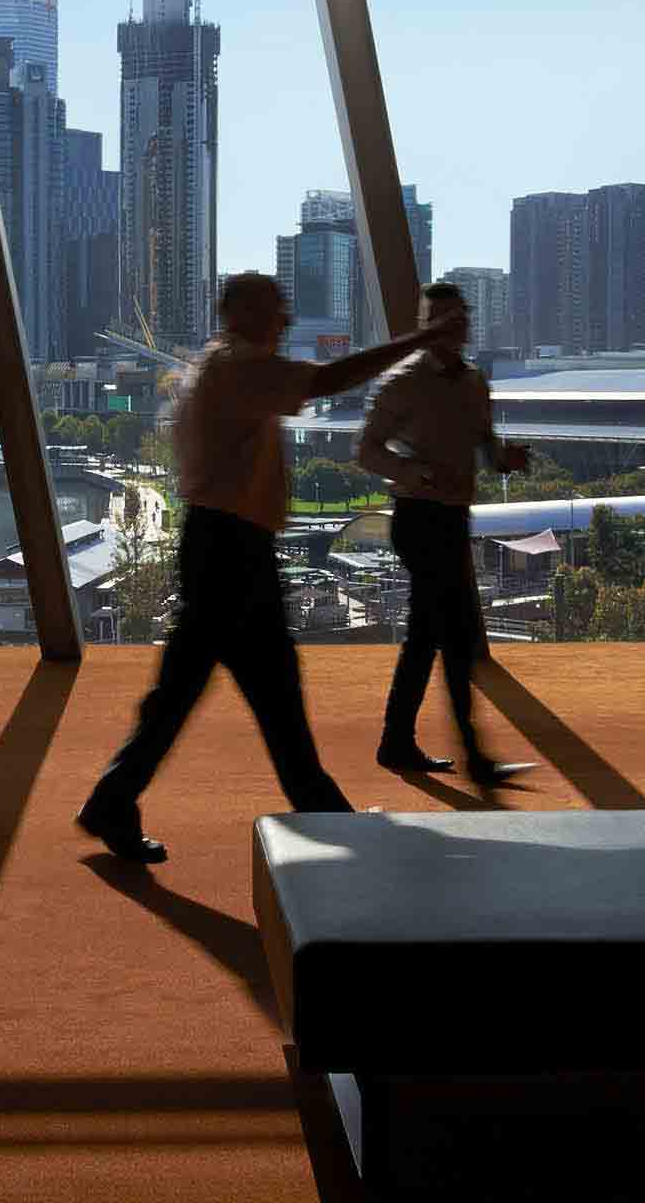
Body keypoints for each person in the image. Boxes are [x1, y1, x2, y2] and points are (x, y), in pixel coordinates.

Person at [72, 271, 468, 865]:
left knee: (189, 695)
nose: (287, 320)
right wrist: (419, 340)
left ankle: (115, 799)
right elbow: (327, 380)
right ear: (247, 313)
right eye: (278, 309)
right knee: (270, 695)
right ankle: (324, 815)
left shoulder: (217, 365)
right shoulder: (240, 366)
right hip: (235, 552)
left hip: (218, 546)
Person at [352, 280, 537, 789]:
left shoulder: (475, 382)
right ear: (426, 326)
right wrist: (411, 474)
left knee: (426, 636)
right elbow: (365, 450)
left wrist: (507, 460)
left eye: (461, 316)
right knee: (451, 636)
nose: (457, 325)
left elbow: (486, 448)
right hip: (417, 518)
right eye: (444, 318)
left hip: (453, 519)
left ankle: (396, 741)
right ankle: (474, 759)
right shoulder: (402, 382)